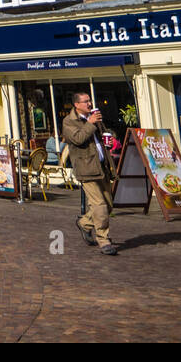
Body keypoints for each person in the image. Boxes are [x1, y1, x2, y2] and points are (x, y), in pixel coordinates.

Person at [63, 92, 118, 255]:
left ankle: (85, 223)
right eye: (85, 101)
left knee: (108, 205)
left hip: (102, 167)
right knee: (99, 205)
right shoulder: (69, 121)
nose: (89, 103)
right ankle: (103, 240)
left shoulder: (94, 117)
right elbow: (78, 139)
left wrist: (109, 137)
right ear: (76, 105)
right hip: (86, 168)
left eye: (90, 101)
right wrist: (91, 123)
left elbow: (101, 136)